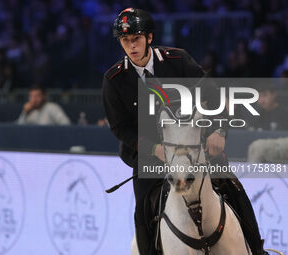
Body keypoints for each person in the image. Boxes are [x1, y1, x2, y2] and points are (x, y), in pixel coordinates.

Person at [102, 8, 266, 255]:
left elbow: (213, 97)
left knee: (233, 187)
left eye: (136, 38)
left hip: (194, 143)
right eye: (125, 40)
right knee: (143, 209)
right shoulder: (114, 79)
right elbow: (119, 127)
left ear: (149, 38)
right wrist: (153, 148)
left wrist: (218, 131)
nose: (131, 45)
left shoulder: (177, 61)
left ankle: (258, 250)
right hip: (150, 154)